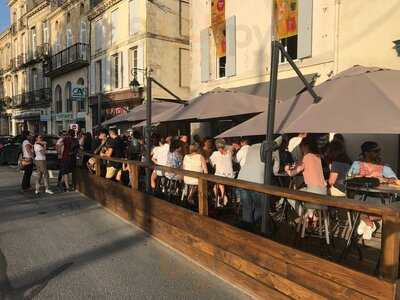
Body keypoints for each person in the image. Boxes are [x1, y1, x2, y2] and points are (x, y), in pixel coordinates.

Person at [285, 136, 327, 217]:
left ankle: (305, 216)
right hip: (323, 191)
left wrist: (287, 169)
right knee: (303, 190)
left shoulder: (306, 157)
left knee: (289, 196)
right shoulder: (318, 157)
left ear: (305, 146)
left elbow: (292, 173)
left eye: (300, 146)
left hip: (314, 192)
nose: (300, 149)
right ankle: (311, 215)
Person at [237, 143, 265, 228]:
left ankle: (247, 229)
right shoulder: (272, 148)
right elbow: (276, 169)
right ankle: (256, 228)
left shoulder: (251, 147)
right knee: (259, 206)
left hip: (243, 178)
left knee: (247, 206)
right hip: (257, 181)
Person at [209, 138, 234, 206]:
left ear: (216, 146)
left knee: (215, 187)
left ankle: (220, 200)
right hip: (230, 176)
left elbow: (211, 162)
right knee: (220, 184)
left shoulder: (215, 153)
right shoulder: (229, 152)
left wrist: (214, 166)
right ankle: (224, 197)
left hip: (220, 176)